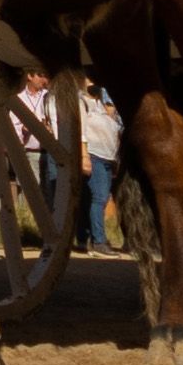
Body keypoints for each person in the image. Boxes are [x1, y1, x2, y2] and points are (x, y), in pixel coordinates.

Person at [78, 84, 123, 253]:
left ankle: (92, 238)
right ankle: (99, 241)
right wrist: (84, 156)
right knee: (99, 198)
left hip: (108, 156)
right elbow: (81, 131)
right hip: (94, 154)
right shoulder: (82, 102)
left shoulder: (100, 104)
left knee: (97, 199)